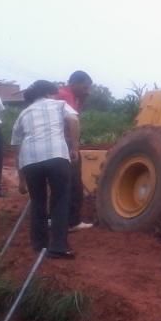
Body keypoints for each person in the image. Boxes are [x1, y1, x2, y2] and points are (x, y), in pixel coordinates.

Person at [11, 80, 80, 259]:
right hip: (56, 156)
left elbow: (17, 148)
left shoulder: (23, 114)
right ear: (49, 93)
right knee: (59, 200)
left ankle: (39, 244)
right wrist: (75, 147)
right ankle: (58, 247)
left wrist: (21, 180)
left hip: (30, 161)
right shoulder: (59, 105)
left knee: (38, 201)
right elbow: (73, 119)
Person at [56, 70, 93, 231]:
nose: (87, 91)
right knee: (74, 183)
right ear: (75, 83)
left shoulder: (63, 94)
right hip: (65, 142)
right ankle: (72, 222)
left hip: (57, 142)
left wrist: (82, 99)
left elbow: (76, 114)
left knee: (60, 182)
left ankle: (55, 217)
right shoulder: (67, 96)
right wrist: (74, 147)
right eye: (85, 88)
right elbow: (73, 120)